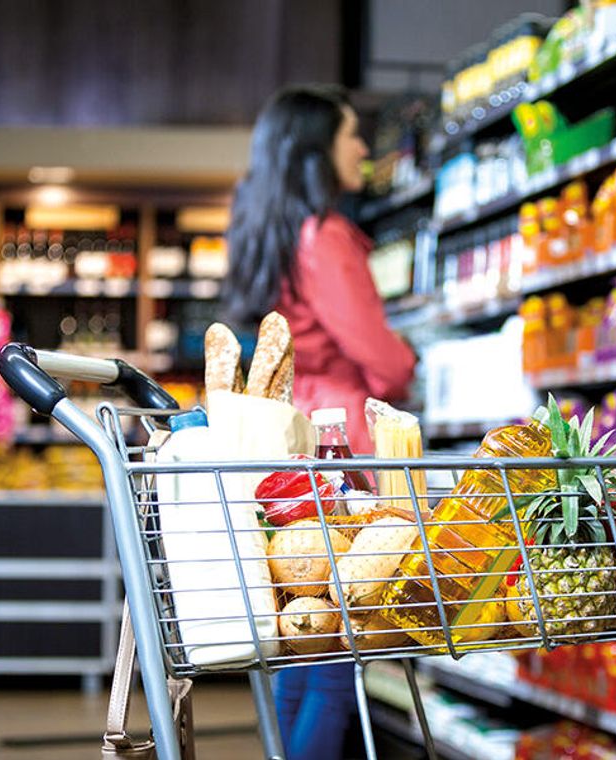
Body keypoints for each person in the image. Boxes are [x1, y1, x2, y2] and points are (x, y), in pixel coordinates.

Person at [223, 85, 416, 759]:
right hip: (344, 450)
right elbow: (383, 361)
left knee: (299, 635)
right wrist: (407, 359)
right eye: (351, 135)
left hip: (291, 441)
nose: (364, 147)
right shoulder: (326, 237)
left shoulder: (272, 235)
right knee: (337, 652)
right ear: (316, 152)